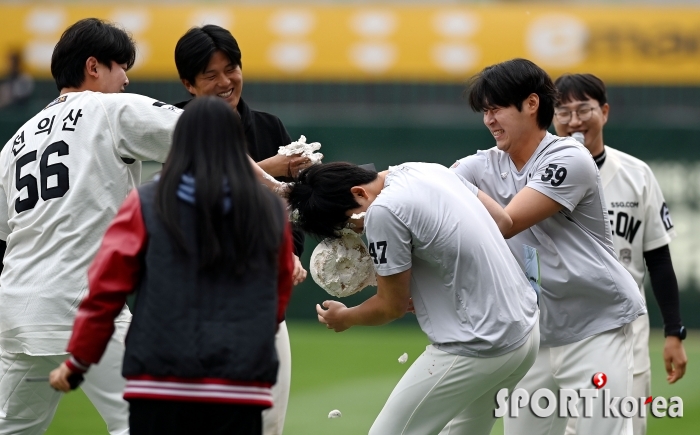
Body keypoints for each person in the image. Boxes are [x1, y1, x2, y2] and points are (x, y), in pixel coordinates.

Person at [49, 96, 294, 435]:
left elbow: (105, 290)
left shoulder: (148, 202)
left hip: (158, 382)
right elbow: (276, 295)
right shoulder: (269, 209)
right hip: (240, 385)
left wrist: (77, 362)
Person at [0, 18, 182, 434]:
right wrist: (276, 186)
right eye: (121, 66)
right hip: (82, 306)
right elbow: (206, 132)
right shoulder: (109, 107)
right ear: (94, 66)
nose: (127, 78)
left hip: (16, 312)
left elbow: (4, 234)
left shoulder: (13, 144)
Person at [451, 58, 646, 435]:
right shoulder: (482, 165)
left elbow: (506, 223)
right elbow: (431, 195)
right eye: (485, 111)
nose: (489, 120)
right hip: (532, 333)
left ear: (531, 103)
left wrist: (450, 184)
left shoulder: (569, 157)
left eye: (497, 108)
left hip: (594, 324)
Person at [288, 161, 540, 434]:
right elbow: (501, 221)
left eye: (347, 222)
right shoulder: (424, 168)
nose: (354, 231)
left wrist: (344, 317)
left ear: (360, 193)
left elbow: (390, 308)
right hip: (525, 332)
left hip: (480, 343)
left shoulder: (382, 212)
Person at [172, 25, 307, 434]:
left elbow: (292, 207)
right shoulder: (168, 127)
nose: (224, 82)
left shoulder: (268, 128)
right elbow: (183, 197)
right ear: (188, 84)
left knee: (267, 423)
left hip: (262, 300)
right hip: (192, 304)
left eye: (231, 69)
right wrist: (269, 171)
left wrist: (293, 252)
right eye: (210, 75)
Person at [553, 73, 687, 435]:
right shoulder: (537, 177)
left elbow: (658, 259)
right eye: (563, 111)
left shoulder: (636, 174)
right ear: (552, 118)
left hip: (626, 328)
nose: (575, 120)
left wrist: (674, 331)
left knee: (628, 427)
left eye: (584, 109)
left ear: (605, 112)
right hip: (561, 328)